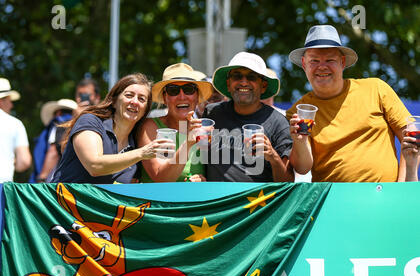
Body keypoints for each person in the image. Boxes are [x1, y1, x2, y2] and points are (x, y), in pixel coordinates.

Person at [286, 25, 412, 182]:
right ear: (304, 64)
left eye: (330, 60)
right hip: (333, 200)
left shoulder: (376, 88)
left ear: (342, 62)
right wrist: (301, 140)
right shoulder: (298, 112)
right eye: (314, 61)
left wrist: (401, 187)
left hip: (384, 197)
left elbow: (411, 137)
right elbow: (302, 168)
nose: (322, 66)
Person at [203, 51, 311, 182]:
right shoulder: (212, 114)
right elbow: (199, 156)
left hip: (259, 201)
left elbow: (288, 182)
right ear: (228, 84)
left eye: (252, 77)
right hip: (219, 200)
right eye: (237, 76)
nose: (243, 82)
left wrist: (273, 156)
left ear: (263, 86)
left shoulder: (278, 122)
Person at [49, 73, 174, 184]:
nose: (135, 102)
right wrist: (141, 153)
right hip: (64, 206)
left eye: (141, 99)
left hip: (100, 209)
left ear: (145, 110)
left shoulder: (136, 140)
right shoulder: (90, 121)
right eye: (129, 95)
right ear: (114, 101)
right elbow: (94, 166)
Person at [137, 63, 213, 182]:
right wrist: (187, 143)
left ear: (197, 96)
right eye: (173, 90)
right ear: (165, 98)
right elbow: (161, 177)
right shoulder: (151, 127)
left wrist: (203, 180)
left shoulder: (205, 130)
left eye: (189, 89)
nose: (182, 97)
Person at [29, 99, 77, 183]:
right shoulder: (80, 126)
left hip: (54, 182)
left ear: (58, 112)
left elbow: (53, 151)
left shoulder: (59, 124)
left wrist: (42, 178)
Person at [0, 78, 32, 182]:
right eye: (9, 101)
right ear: (1, 101)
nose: (11, 105)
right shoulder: (14, 124)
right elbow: (24, 161)